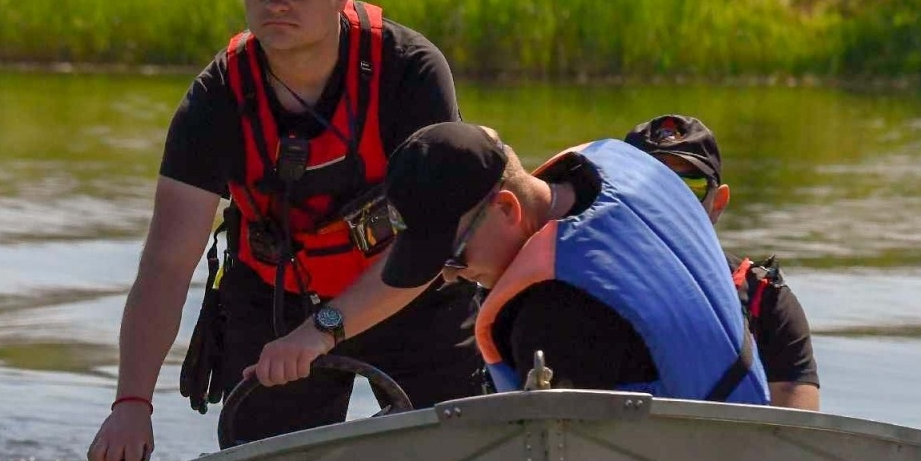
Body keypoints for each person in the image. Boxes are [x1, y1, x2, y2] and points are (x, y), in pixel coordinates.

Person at [86, 0, 480, 461]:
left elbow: (435, 235)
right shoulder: (215, 100)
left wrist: (322, 330)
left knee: (470, 455)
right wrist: (131, 405)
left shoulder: (410, 72)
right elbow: (167, 265)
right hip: (276, 304)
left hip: (409, 288)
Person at [248, 122, 772, 405]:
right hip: (744, 423)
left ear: (507, 208)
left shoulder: (542, 315)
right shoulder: (618, 165)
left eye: (453, 256)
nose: (452, 276)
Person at [624, 115, 820, 410]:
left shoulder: (766, 301)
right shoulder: (569, 288)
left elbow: (798, 437)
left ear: (718, 203)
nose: (667, 206)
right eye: (649, 189)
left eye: (689, 188)